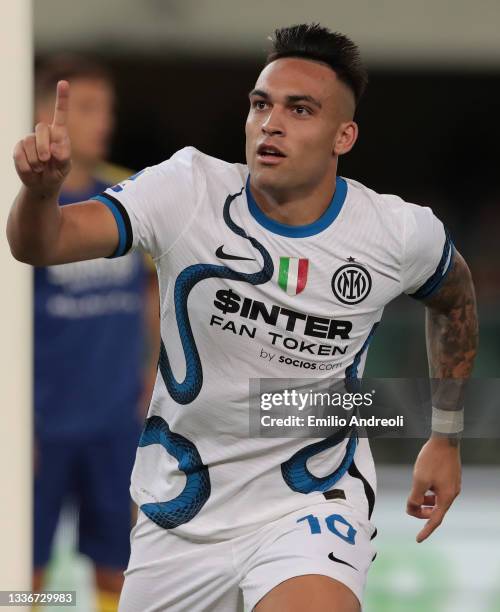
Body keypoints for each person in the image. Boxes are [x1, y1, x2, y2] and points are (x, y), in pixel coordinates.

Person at [8, 24, 477, 612]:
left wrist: (446, 435)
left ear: (344, 135)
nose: (271, 122)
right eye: (261, 104)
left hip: (308, 503)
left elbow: (455, 296)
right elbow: (41, 244)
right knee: (22, 580)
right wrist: (41, 195)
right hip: (172, 505)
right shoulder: (184, 191)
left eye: (299, 109)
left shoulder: (396, 232)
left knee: (107, 567)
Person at [29, 56, 158, 612]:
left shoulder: (127, 196)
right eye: (84, 107)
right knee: (25, 567)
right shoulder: (26, 209)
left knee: (119, 563)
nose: (100, 120)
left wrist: (151, 374)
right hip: (37, 427)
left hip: (113, 421)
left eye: (105, 107)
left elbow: (149, 290)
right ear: (44, 111)